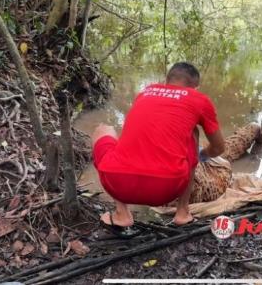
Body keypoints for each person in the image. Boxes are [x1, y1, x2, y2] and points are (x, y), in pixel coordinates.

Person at [91, 62, 225, 228]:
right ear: (194, 87)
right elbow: (219, 148)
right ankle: (182, 212)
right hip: (166, 189)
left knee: (104, 129)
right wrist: (202, 155)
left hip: (117, 183)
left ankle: (121, 213)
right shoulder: (199, 100)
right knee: (193, 133)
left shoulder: (145, 92)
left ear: (166, 80)